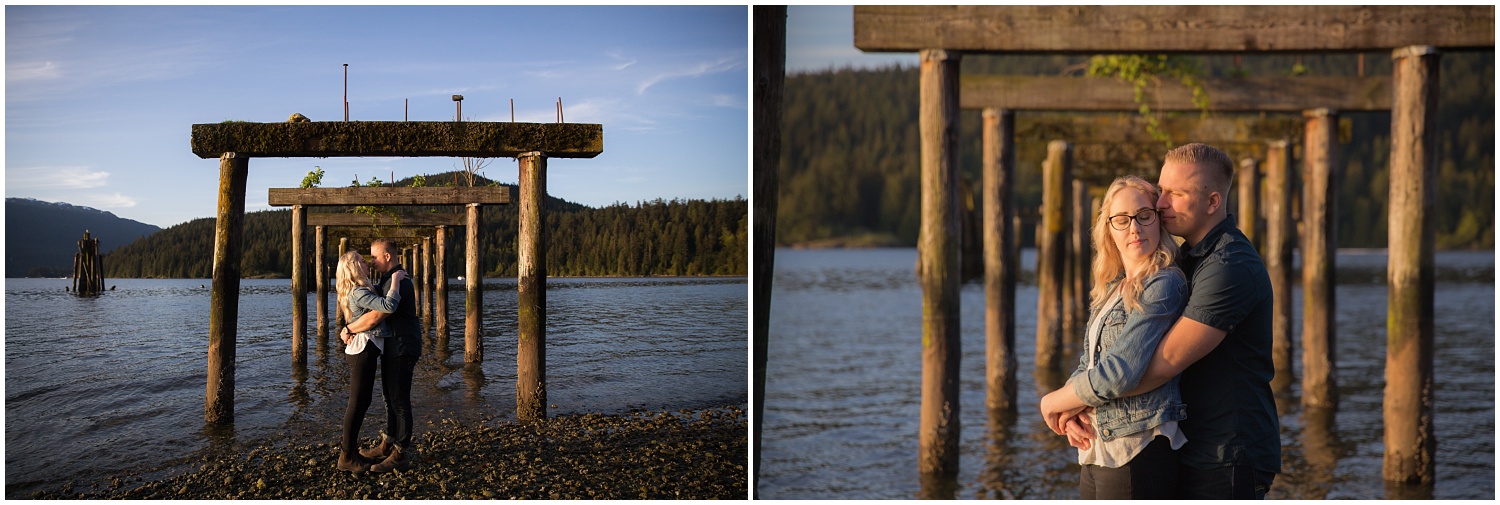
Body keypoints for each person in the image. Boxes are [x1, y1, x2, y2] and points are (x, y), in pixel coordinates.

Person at [1065, 143, 1281, 499]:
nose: (1161, 203)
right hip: (1193, 446)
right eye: (1161, 190)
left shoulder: (1229, 266)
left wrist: (1070, 401)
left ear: (1213, 202)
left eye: (1175, 194)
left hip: (1227, 453)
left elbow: (1160, 365)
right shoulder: (1189, 258)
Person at [1038, 175, 1189, 499]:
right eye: (1122, 220)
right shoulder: (1113, 289)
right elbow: (1089, 362)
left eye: (1143, 216)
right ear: (1109, 229)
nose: (1134, 228)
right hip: (1099, 444)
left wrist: (1052, 402)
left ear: (1158, 221)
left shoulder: (1164, 284)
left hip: (1139, 445)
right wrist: (1071, 413)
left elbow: (1121, 371)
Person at [341, 238, 421, 473]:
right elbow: (367, 310)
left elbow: (378, 315)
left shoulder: (400, 280)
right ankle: (388, 442)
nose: (371, 262)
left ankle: (400, 453)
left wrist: (348, 329)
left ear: (387, 256)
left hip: (402, 346)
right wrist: (348, 327)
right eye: (367, 259)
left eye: (374, 257)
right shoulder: (385, 279)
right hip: (391, 345)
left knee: (399, 399)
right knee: (389, 397)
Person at [332, 250, 404, 473]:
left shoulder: (360, 290)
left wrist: (348, 328)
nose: (367, 263)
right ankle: (347, 456)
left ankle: (350, 453)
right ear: (354, 267)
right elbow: (388, 306)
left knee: (361, 402)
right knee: (356, 403)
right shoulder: (358, 292)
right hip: (362, 349)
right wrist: (395, 280)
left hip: (365, 349)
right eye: (363, 261)